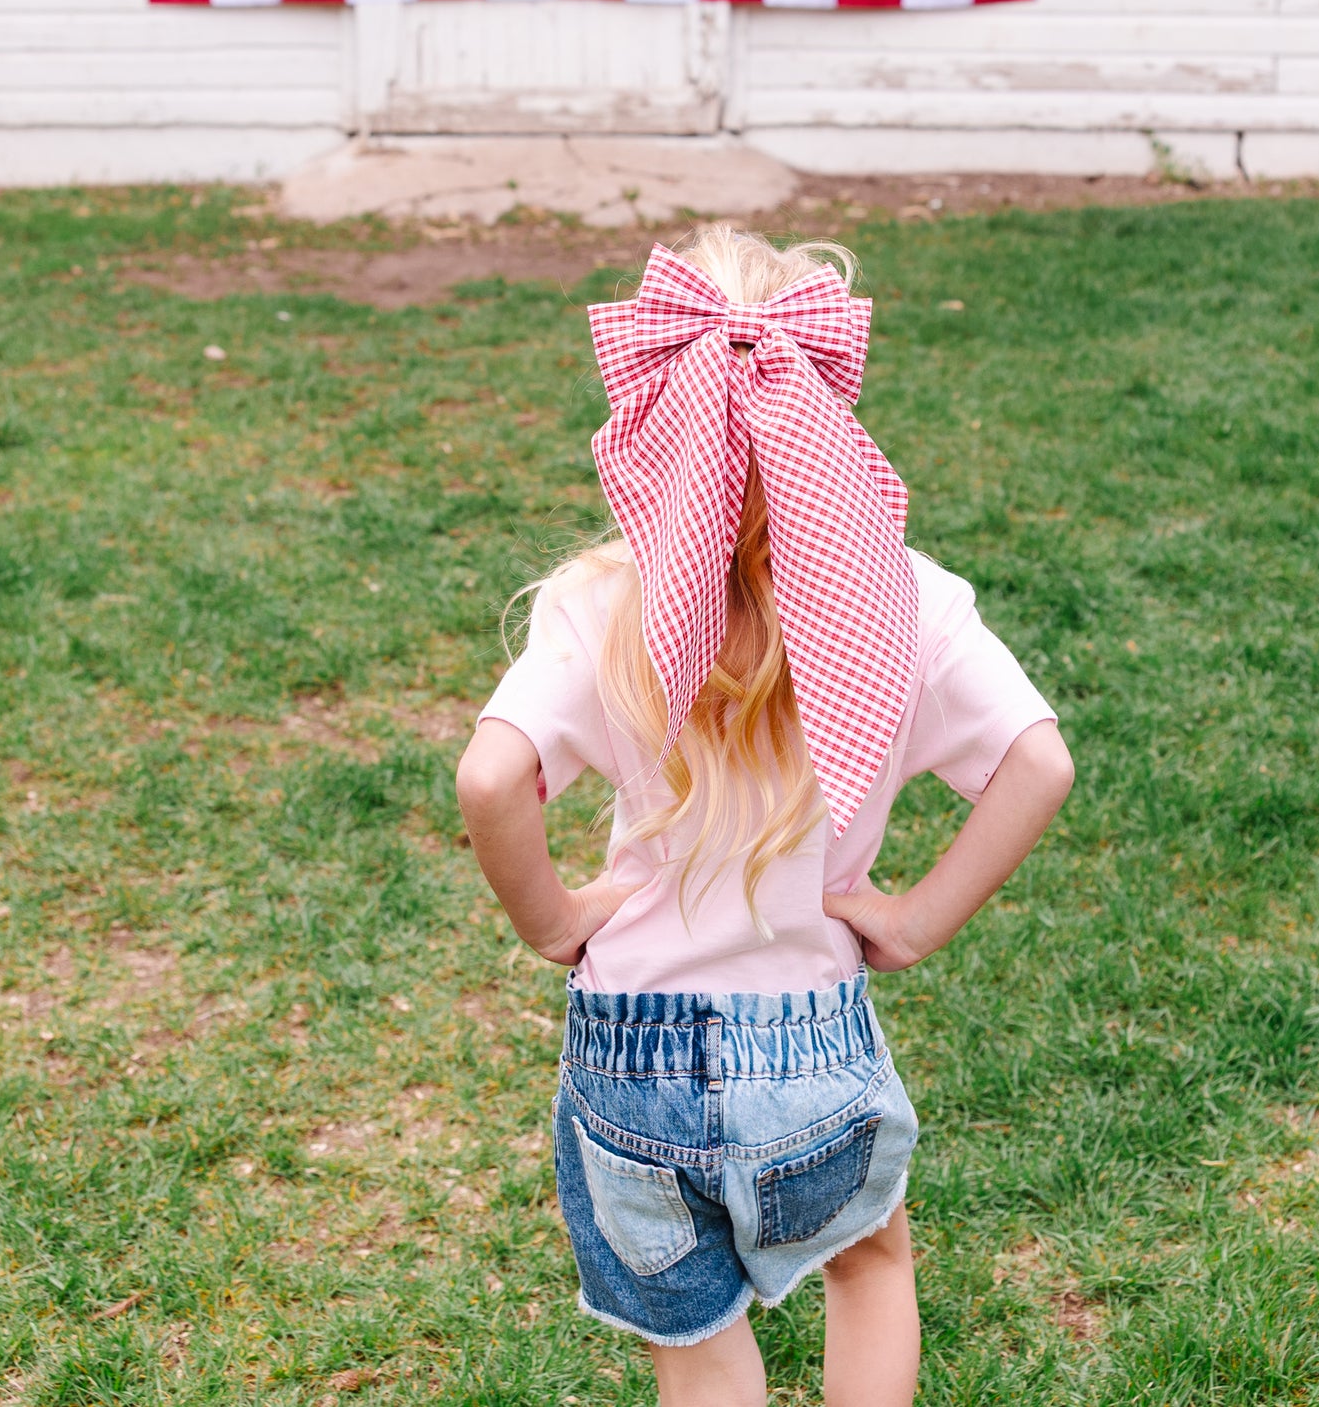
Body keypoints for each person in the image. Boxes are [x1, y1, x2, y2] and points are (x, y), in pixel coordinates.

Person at [455, 224, 1075, 1407]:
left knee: (696, 1342)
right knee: (867, 1264)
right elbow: (1035, 764)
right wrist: (916, 918)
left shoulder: (600, 608)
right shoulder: (909, 601)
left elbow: (490, 782)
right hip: (814, 1042)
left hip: (627, 1053)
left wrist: (549, 920)